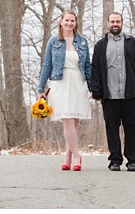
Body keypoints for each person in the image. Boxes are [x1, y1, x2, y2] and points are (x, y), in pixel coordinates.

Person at [88, 11, 135, 171]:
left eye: (118, 22)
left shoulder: (133, 43)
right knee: (112, 128)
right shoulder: (101, 46)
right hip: (110, 95)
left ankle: (133, 160)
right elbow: (95, 70)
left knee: (132, 127)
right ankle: (115, 159)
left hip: (131, 94)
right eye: (112, 22)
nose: (115, 24)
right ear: (108, 24)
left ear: (122, 23)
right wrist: (97, 92)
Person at [36, 9, 92, 171]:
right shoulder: (53, 42)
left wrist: (92, 87)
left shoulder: (82, 42)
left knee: (74, 120)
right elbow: (47, 65)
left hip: (77, 82)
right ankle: (77, 155)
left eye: (72, 21)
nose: (69, 23)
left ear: (76, 24)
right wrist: (41, 88)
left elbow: (87, 65)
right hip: (59, 82)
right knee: (66, 119)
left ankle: (67, 156)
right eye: (66, 20)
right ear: (61, 22)